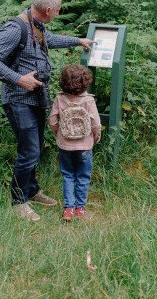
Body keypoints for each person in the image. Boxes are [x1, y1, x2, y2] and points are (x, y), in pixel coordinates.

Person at [0, 0, 94, 221]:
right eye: (59, 8)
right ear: (49, 10)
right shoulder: (16, 28)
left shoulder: (36, 25)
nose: (60, 11)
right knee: (29, 151)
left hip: (36, 98)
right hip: (18, 99)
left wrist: (77, 40)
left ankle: (31, 191)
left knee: (35, 147)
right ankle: (18, 200)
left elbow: (48, 40)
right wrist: (19, 79)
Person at [48, 64, 101, 221]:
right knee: (83, 176)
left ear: (63, 82)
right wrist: (95, 136)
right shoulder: (88, 100)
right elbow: (96, 123)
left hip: (65, 145)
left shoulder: (60, 98)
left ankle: (68, 209)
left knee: (68, 175)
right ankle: (80, 209)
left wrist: (58, 133)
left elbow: (52, 120)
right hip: (85, 145)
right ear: (86, 82)